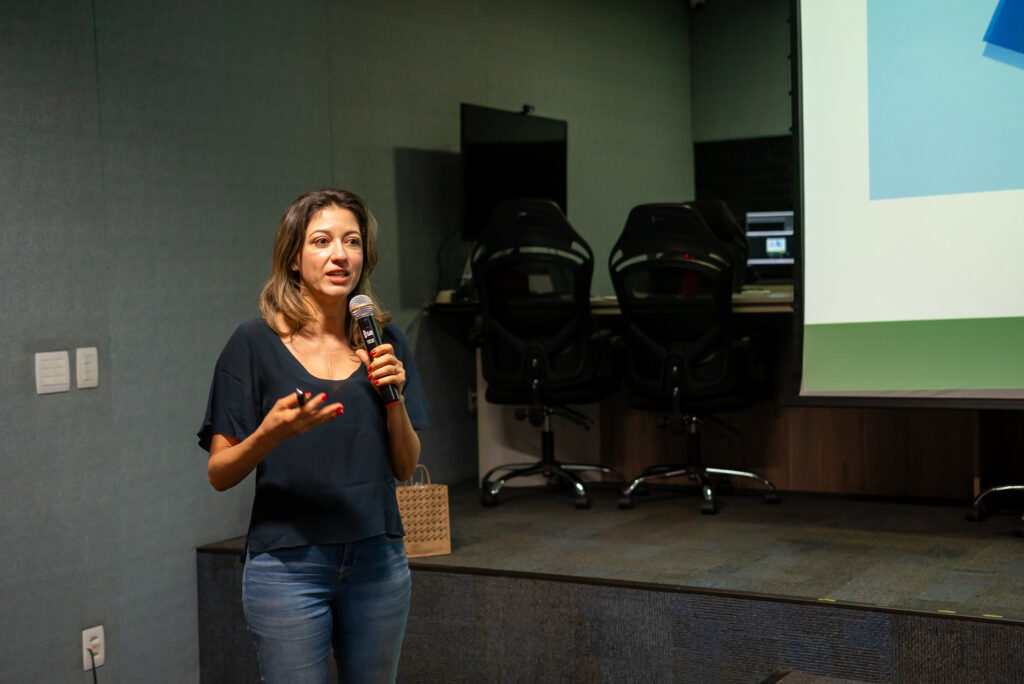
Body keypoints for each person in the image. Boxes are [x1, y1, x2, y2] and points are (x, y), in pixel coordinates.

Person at [197, 188, 430, 683]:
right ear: (294, 259)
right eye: (322, 241)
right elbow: (219, 473)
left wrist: (395, 397)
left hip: (377, 559)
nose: (339, 254)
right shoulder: (253, 344)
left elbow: (406, 466)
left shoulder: (384, 340)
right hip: (288, 566)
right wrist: (270, 434)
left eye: (352, 241)